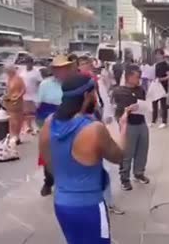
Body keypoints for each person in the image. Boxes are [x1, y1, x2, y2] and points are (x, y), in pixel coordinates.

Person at [39, 74, 128, 244]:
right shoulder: (94, 129)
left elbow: (48, 161)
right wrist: (123, 127)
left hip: (62, 203)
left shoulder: (50, 122)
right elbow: (119, 156)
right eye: (94, 93)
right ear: (88, 95)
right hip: (90, 206)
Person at [37, 55, 75, 196]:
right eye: (58, 69)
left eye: (64, 68)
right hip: (50, 123)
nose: (61, 71)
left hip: (70, 122)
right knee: (49, 155)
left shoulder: (73, 83)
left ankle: (66, 182)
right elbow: (39, 108)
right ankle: (48, 181)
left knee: (69, 154)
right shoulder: (45, 85)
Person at [112, 65, 150, 191]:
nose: (138, 79)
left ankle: (139, 172)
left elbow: (143, 103)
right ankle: (124, 178)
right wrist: (126, 111)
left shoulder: (141, 90)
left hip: (141, 121)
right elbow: (118, 110)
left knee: (142, 149)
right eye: (136, 77)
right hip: (128, 124)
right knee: (127, 152)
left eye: (139, 77)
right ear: (128, 77)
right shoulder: (119, 91)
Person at [3, 64, 26, 144]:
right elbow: (7, 90)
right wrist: (5, 96)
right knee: (11, 120)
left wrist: (18, 96)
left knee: (17, 119)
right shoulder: (9, 79)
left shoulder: (18, 78)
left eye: (8, 71)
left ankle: (16, 136)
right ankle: (13, 136)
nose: (7, 73)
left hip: (17, 102)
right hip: (10, 101)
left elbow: (23, 89)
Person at [19, 56, 42, 134]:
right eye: (27, 62)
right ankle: (28, 127)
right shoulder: (22, 72)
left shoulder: (36, 72)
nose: (28, 64)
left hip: (34, 95)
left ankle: (36, 127)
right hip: (25, 95)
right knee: (26, 112)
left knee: (34, 112)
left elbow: (40, 83)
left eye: (29, 62)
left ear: (32, 63)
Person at [152, 49, 169, 129]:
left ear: (162, 55)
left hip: (163, 87)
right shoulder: (155, 65)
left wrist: (161, 79)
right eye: (156, 54)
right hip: (155, 86)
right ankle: (154, 120)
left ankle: (164, 121)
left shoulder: (165, 65)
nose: (157, 56)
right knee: (154, 103)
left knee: (163, 104)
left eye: (158, 54)